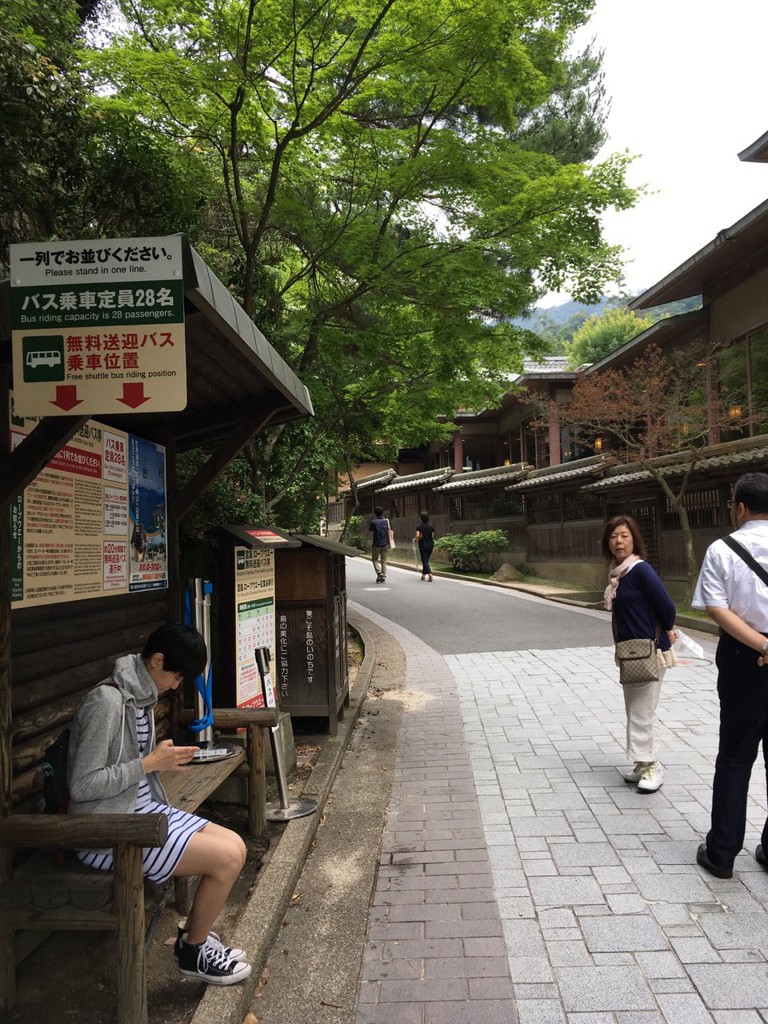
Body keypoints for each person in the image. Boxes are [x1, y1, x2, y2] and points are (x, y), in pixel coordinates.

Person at [67, 623, 252, 986]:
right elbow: (82, 786)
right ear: (156, 660)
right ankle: (193, 953)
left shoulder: (141, 698)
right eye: (177, 674)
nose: (177, 684)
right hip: (106, 832)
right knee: (226, 859)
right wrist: (151, 763)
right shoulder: (107, 703)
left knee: (237, 846)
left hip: (141, 812)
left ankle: (193, 939)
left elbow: (136, 769)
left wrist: (155, 763)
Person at [692, 471, 768, 880]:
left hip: (745, 658)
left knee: (736, 757)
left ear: (740, 507)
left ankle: (722, 853)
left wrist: (762, 645)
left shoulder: (722, 548)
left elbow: (715, 608)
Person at [601, 515, 677, 793]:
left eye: (624, 535)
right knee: (635, 709)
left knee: (643, 710)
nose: (618, 541)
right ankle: (641, 762)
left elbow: (667, 605)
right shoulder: (619, 573)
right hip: (631, 652)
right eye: (613, 536)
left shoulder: (640, 570)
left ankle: (650, 766)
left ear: (634, 539)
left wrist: (667, 629)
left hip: (648, 651)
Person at [369, 505, 391, 583]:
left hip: (376, 544)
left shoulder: (373, 522)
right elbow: (389, 530)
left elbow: (371, 532)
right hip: (385, 544)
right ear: (382, 513)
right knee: (384, 561)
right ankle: (383, 576)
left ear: (375, 513)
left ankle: (379, 573)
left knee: (375, 559)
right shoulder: (386, 521)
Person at [415, 511, 436, 581]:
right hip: (430, 545)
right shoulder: (431, 527)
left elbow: (418, 536)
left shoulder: (419, 526)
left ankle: (430, 573)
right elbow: (432, 536)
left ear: (421, 518)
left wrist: (416, 539)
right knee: (426, 560)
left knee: (424, 560)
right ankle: (423, 575)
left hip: (423, 545)